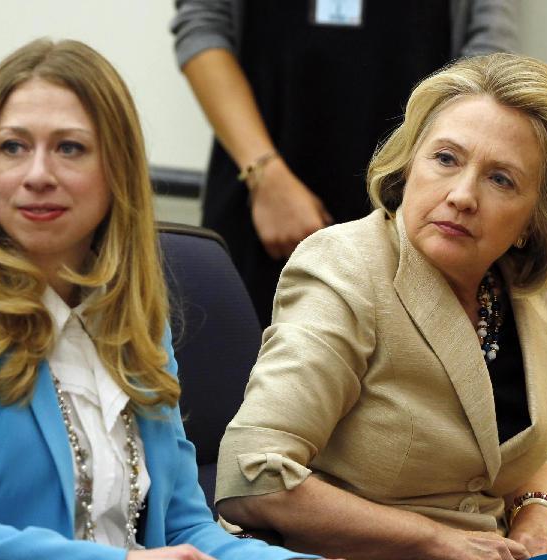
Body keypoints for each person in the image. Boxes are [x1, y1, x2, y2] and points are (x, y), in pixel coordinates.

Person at [0, 39, 423, 560]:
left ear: (116, 172)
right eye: (12, 147)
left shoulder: (133, 325)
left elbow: (183, 528)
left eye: (69, 148)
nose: (37, 175)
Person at [210, 52, 547, 560]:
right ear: (408, 165)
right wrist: (439, 542)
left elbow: (538, 446)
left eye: (501, 179)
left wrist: (539, 516)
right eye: (446, 159)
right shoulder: (346, 269)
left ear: (533, 219)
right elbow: (254, 477)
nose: (462, 195)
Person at [172, 0, 518, 326]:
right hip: (261, 208)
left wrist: (434, 200)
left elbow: (486, 59)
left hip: (409, 215)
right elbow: (203, 28)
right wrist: (263, 172)